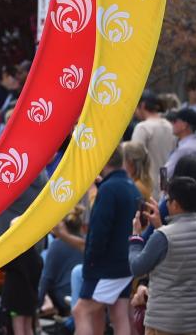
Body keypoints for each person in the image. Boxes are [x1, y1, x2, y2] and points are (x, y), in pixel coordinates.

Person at [73, 146, 140, 335]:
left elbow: (100, 230)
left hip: (105, 266)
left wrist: (92, 260)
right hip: (126, 262)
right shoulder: (130, 186)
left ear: (104, 161)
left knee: (81, 311)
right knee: (119, 315)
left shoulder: (109, 189)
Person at [129, 176, 196, 335]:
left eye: (168, 199)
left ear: (176, 204)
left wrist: (136, 237)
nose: (166, 203)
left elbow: (137, 267)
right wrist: (159, 225)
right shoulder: (164, 234)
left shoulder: (162, 236)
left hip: (163, 322)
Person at [132, 95, 176, 198]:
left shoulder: (142, 127)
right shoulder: (170, 127)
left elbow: (134, 156)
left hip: (146, 187)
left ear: (142, 105)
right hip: (165, 184)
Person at [165, 108, 196, 178]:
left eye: (175, 121)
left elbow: (166, 173)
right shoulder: (191, 144)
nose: (172, 124)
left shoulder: (185, 148)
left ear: (184, 125)